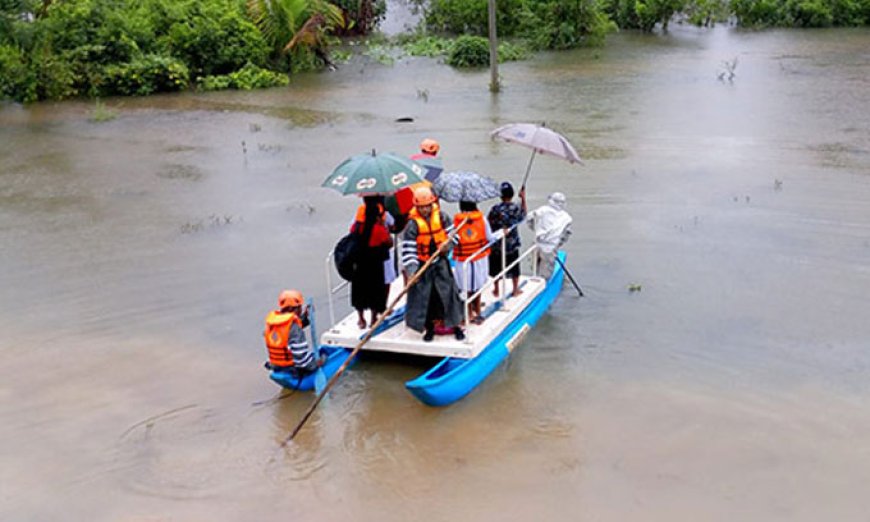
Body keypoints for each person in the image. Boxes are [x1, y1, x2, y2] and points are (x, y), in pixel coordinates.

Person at [401, 186, 466, 342]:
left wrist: (447, 246)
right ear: (416, 207)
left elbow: (455, 236)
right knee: (427, 298)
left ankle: (456, 326)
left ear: (432, 204)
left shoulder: (442, 217)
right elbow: (409, 250)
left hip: (440, 263)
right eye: (421, 207)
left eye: (427, 206)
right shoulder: (412, 225)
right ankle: (429, 328)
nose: (424, 210)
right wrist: (412, 272)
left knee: (448, 294)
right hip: (423, 266)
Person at [350, 195, 394, 330]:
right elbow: (389, 243)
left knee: (359, 291)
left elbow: (351, 235)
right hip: (375, 266)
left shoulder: (357, 227)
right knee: (376, 291)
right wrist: (384, 227)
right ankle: (373, 319)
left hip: (359, 264)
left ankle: (361, 319)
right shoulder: (379, 229)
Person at [453, 201, 498, 324]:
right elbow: (490, 238)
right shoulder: (482, 219)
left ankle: (468, 313)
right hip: (479, 258)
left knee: (465, 287)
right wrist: (500, 234)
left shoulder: (457, 221)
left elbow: (452, 239)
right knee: (477, 286)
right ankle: (477, 311)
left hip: (462, 260)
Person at [263, 289, 322, 375]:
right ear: (294, 308)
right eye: (300, 307)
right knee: (324, 357)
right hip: (292, 368)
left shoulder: (272, 324)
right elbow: (301, 359)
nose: (301, 309)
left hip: (276, 365)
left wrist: (305, 318)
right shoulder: (295, 329)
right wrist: (316, 364)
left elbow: (287, 332)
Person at [487, 182, 527, 298]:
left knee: (496, 268)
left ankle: (496, 289)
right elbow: (523, 215)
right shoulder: (515, 208)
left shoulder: (495, 208)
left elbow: (489, 222)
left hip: (497, 245)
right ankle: (515, 290)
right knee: (514, 267)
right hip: (511, 245)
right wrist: (523, 199)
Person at [526, 192, 572, 279]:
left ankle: (535, 279)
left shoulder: (542, 210)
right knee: (545, 274)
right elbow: (565, 236)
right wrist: (557, 245)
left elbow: (529, 219)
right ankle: (543, 285)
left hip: (536, 243)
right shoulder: (567, 218)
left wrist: (535, 229)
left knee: (534, 267)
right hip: (550, 248)